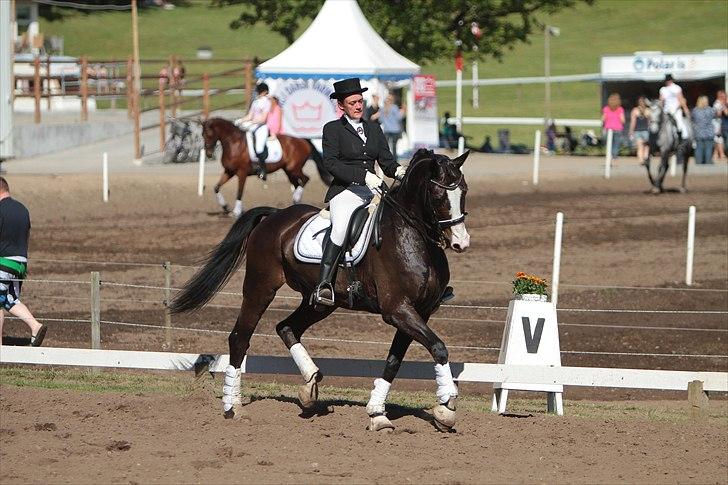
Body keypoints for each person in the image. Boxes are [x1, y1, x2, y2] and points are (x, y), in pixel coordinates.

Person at [313, 78, 406, 307]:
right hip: (345, 191)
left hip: (375, 190)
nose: (358, 106)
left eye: (360, 101)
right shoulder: (332, 129)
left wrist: (401, 171)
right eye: (352, 102)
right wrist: (362, 176)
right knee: (341, 227)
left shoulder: (374, 128)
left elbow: (386, 162)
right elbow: (331, 164)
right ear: (341, 106)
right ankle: (323, 284)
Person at [0, 177, 46, 347]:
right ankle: (35, 326)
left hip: (3, 261)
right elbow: (26, 236)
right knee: (9, 299)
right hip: (21, 262)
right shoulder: (23, 209)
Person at [237, 83, 272, 180]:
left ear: (264, 92)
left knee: (259, 148)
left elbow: (264, 119)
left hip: (262, 127)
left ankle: (263, 170)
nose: (258, 93)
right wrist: (240, 120)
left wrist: (251, 122)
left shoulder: (267, 103)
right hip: (252, 125)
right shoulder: (255, 102)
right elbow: (250, 115)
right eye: (258, 91)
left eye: (260, 92)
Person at [659, 74, 690, 140]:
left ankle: (683, 138)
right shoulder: (663, 89)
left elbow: (681, 99)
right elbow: (661, 101)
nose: (667, 82)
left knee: (679, 123)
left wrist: (685, 109)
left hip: (676, 109)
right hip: (666, 111)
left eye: (669, 80)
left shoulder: (677, 88)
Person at [602, 93, 625, 161]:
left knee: (609, 143)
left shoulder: (606, 109)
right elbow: (622, 120)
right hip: (617, 128)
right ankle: (614, 156)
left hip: (608, 128)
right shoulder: (620, 109)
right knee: (616, 143)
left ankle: (610, 155)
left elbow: (603, 119)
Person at [692, 95, 715, 165]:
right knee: (708, 147)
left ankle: (699, 161)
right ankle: (708, 161)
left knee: (699, 147)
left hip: (699, 131)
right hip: (709, 131)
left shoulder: (695, 110)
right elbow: (713, 117)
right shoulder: (710, 110)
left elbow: (693, 119)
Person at [629, 96, 651, 165]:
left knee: (639, 147)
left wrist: (631, 131)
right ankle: (645, 157)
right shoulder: (648, 111)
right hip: (646, 131)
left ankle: (641, 160)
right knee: (646, 146)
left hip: (637, 130)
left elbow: (633, 122)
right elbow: (650, 122)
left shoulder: (635, 110)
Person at [714, 90, 728, 161]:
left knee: (718, 139)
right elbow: (719, 114)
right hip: (718, 124)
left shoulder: (719, 103)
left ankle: (717, 154)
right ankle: (720, 154)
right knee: (719, 139)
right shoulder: (718, 104)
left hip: (720, 123)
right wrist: (723, 107)